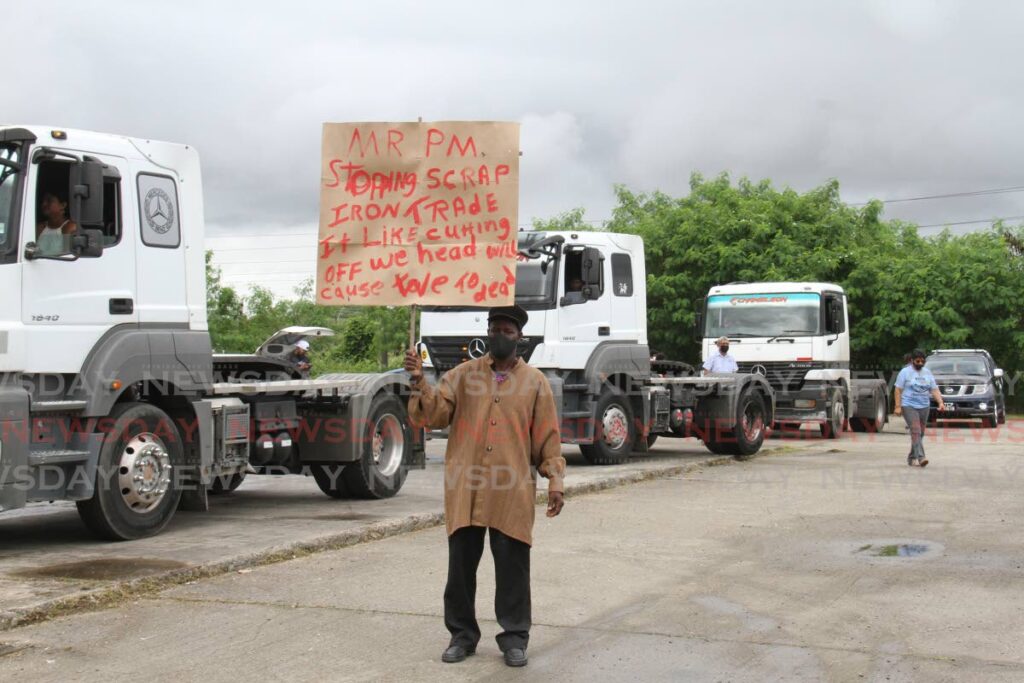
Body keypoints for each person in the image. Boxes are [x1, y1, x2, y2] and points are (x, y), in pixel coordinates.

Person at [404, 304, 565, 668]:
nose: (500, 335)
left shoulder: (536, 382)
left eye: (508, 330)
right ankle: (462, 635)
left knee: (513, 568)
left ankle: (514, 638)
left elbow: (547, 439)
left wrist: (555, 480)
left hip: (511, 490)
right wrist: (418, 381)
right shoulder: (462, 376)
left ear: (519, 337)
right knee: (460, 568)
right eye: (495, 328)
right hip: (467, 486)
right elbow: (432, 415)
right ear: (487, 332)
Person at [894, 349, 945, 467]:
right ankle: (921, 457)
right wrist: (897, 406)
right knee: (916, 430)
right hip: (909, 405)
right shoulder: (905, 372)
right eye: (918, 361)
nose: (920, 364)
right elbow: (898, 389)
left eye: (923, 361)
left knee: (920, 433)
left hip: (924, 405)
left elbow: (934, 389)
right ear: (912, 361)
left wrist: (940, 402)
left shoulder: (927, 372)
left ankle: (911, 457)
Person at [36, 191, 78, 255]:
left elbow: (66, 257)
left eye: (49, 200)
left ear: (63, 205)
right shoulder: (40, 227)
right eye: (43, 201)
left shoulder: (69, 227)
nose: (44, 204)